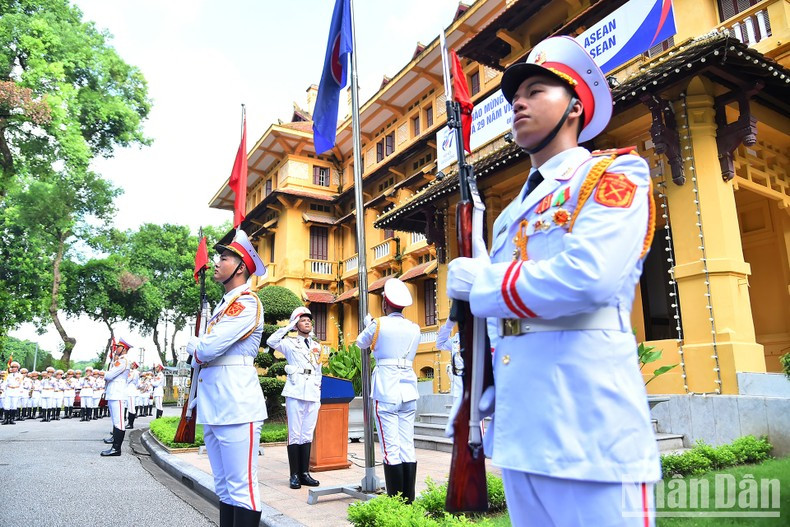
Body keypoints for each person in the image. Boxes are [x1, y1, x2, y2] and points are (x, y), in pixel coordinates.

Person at [446, 36, 660, 526]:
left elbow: (590, 278)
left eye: (536, 90)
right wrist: (481, 394)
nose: (518, 102)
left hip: (591, 426)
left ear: (574, 108)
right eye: (514, 97)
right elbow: (499, 328)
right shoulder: (506, 219)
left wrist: (484, 285)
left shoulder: (612, 173)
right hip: (523, 431)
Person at [186, 228, 268, 527]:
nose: (216, 262)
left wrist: (195, 346)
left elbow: (206, 349)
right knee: (224, 488)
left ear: (241, 267)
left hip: (237, 405)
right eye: (218, 256)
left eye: (224, 257)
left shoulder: (246, 302)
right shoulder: (224, 306)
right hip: (216, 405)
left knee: (242, 487)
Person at [356, 278, 421, 503]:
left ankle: (395, 503)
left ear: (385, 303)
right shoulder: (415, 328)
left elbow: (360, 342)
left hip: (387, 390)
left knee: (390, 449)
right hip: (408, 390)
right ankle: (408, 501)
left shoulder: (379, 324)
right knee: (407, 447)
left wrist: (370, 324)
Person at [266, 306, 322, 489]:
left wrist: (318, 388)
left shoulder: (316, 345)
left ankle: (305, 473)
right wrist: (287, 327)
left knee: (307, 433)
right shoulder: (289, 343)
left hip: (312, 391)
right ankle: (294, 475)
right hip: (296, 390)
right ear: (296, 324)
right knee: (295, 434)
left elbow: (319, 370)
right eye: (303, 320)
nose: (307, 322)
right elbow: (271, 340)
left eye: (308, 320)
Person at [102, 338, 132, 457]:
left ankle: (116, 449)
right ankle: (114, 445)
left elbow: (109, 375)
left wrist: (102, 373)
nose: (116, 349)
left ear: (124, 349)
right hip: (113, 393)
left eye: (118, 347)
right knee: (115, 421)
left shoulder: (123, 360)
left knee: (119, 422)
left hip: (118, 393)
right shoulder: (118, 360)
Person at [435, 319, 463, 401]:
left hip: (475, 386)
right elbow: (440, 344)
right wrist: (448, 326)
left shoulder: (480, 336)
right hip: (458, 388)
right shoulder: (456, 340)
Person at [125, 362, 139, 429]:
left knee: (131, 408)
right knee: (130, 407)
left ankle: (130, 424)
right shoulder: (133, 372)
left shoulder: (134, 372)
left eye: (132, 364)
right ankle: (129, 423)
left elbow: (128, 379)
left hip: (131, 389)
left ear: (134, 365)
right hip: (130, 389)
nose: (131, 365)